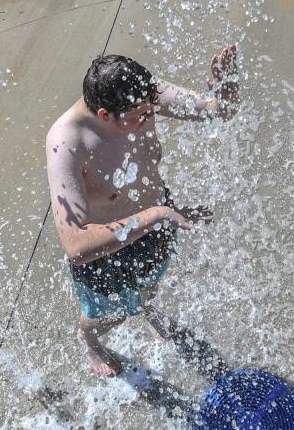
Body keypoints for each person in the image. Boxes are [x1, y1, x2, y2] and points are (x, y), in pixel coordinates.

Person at [46, 46, 239, 376]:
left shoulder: (143, 95)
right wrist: (160, 214)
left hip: (156, 223)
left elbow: (218, 111)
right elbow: (76, 246)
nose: (152, 116)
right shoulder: (67, 143)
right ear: (106, 115)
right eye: (142, 116)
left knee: (150, 286)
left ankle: (147, 309)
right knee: (108, 315)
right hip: (106, 252)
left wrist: (228, 86)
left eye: (152, 109)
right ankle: (89, 341)